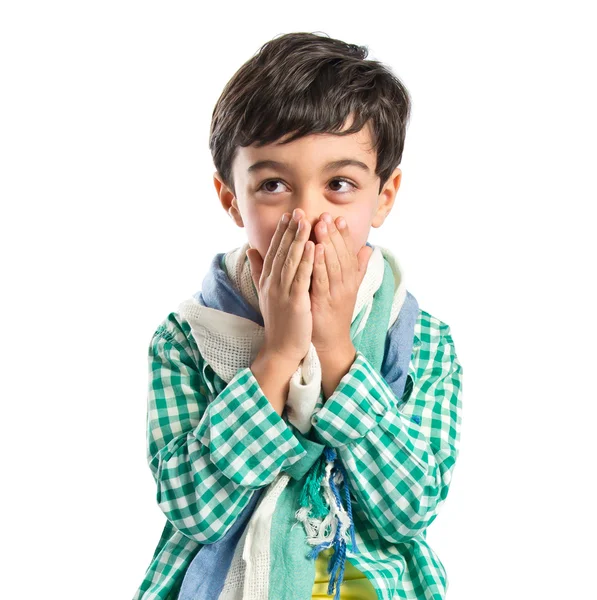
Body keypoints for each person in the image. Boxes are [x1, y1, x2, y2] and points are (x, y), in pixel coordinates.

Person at [132, 31, 463, 600]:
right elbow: (193, 511)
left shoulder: (421, 340)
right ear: (230, 197)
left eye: (339, 184)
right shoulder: (186, 338)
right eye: (273, 185)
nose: (307, 215)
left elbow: (409, 512)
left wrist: (335, 353)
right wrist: (279, 355)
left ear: (384, 195)